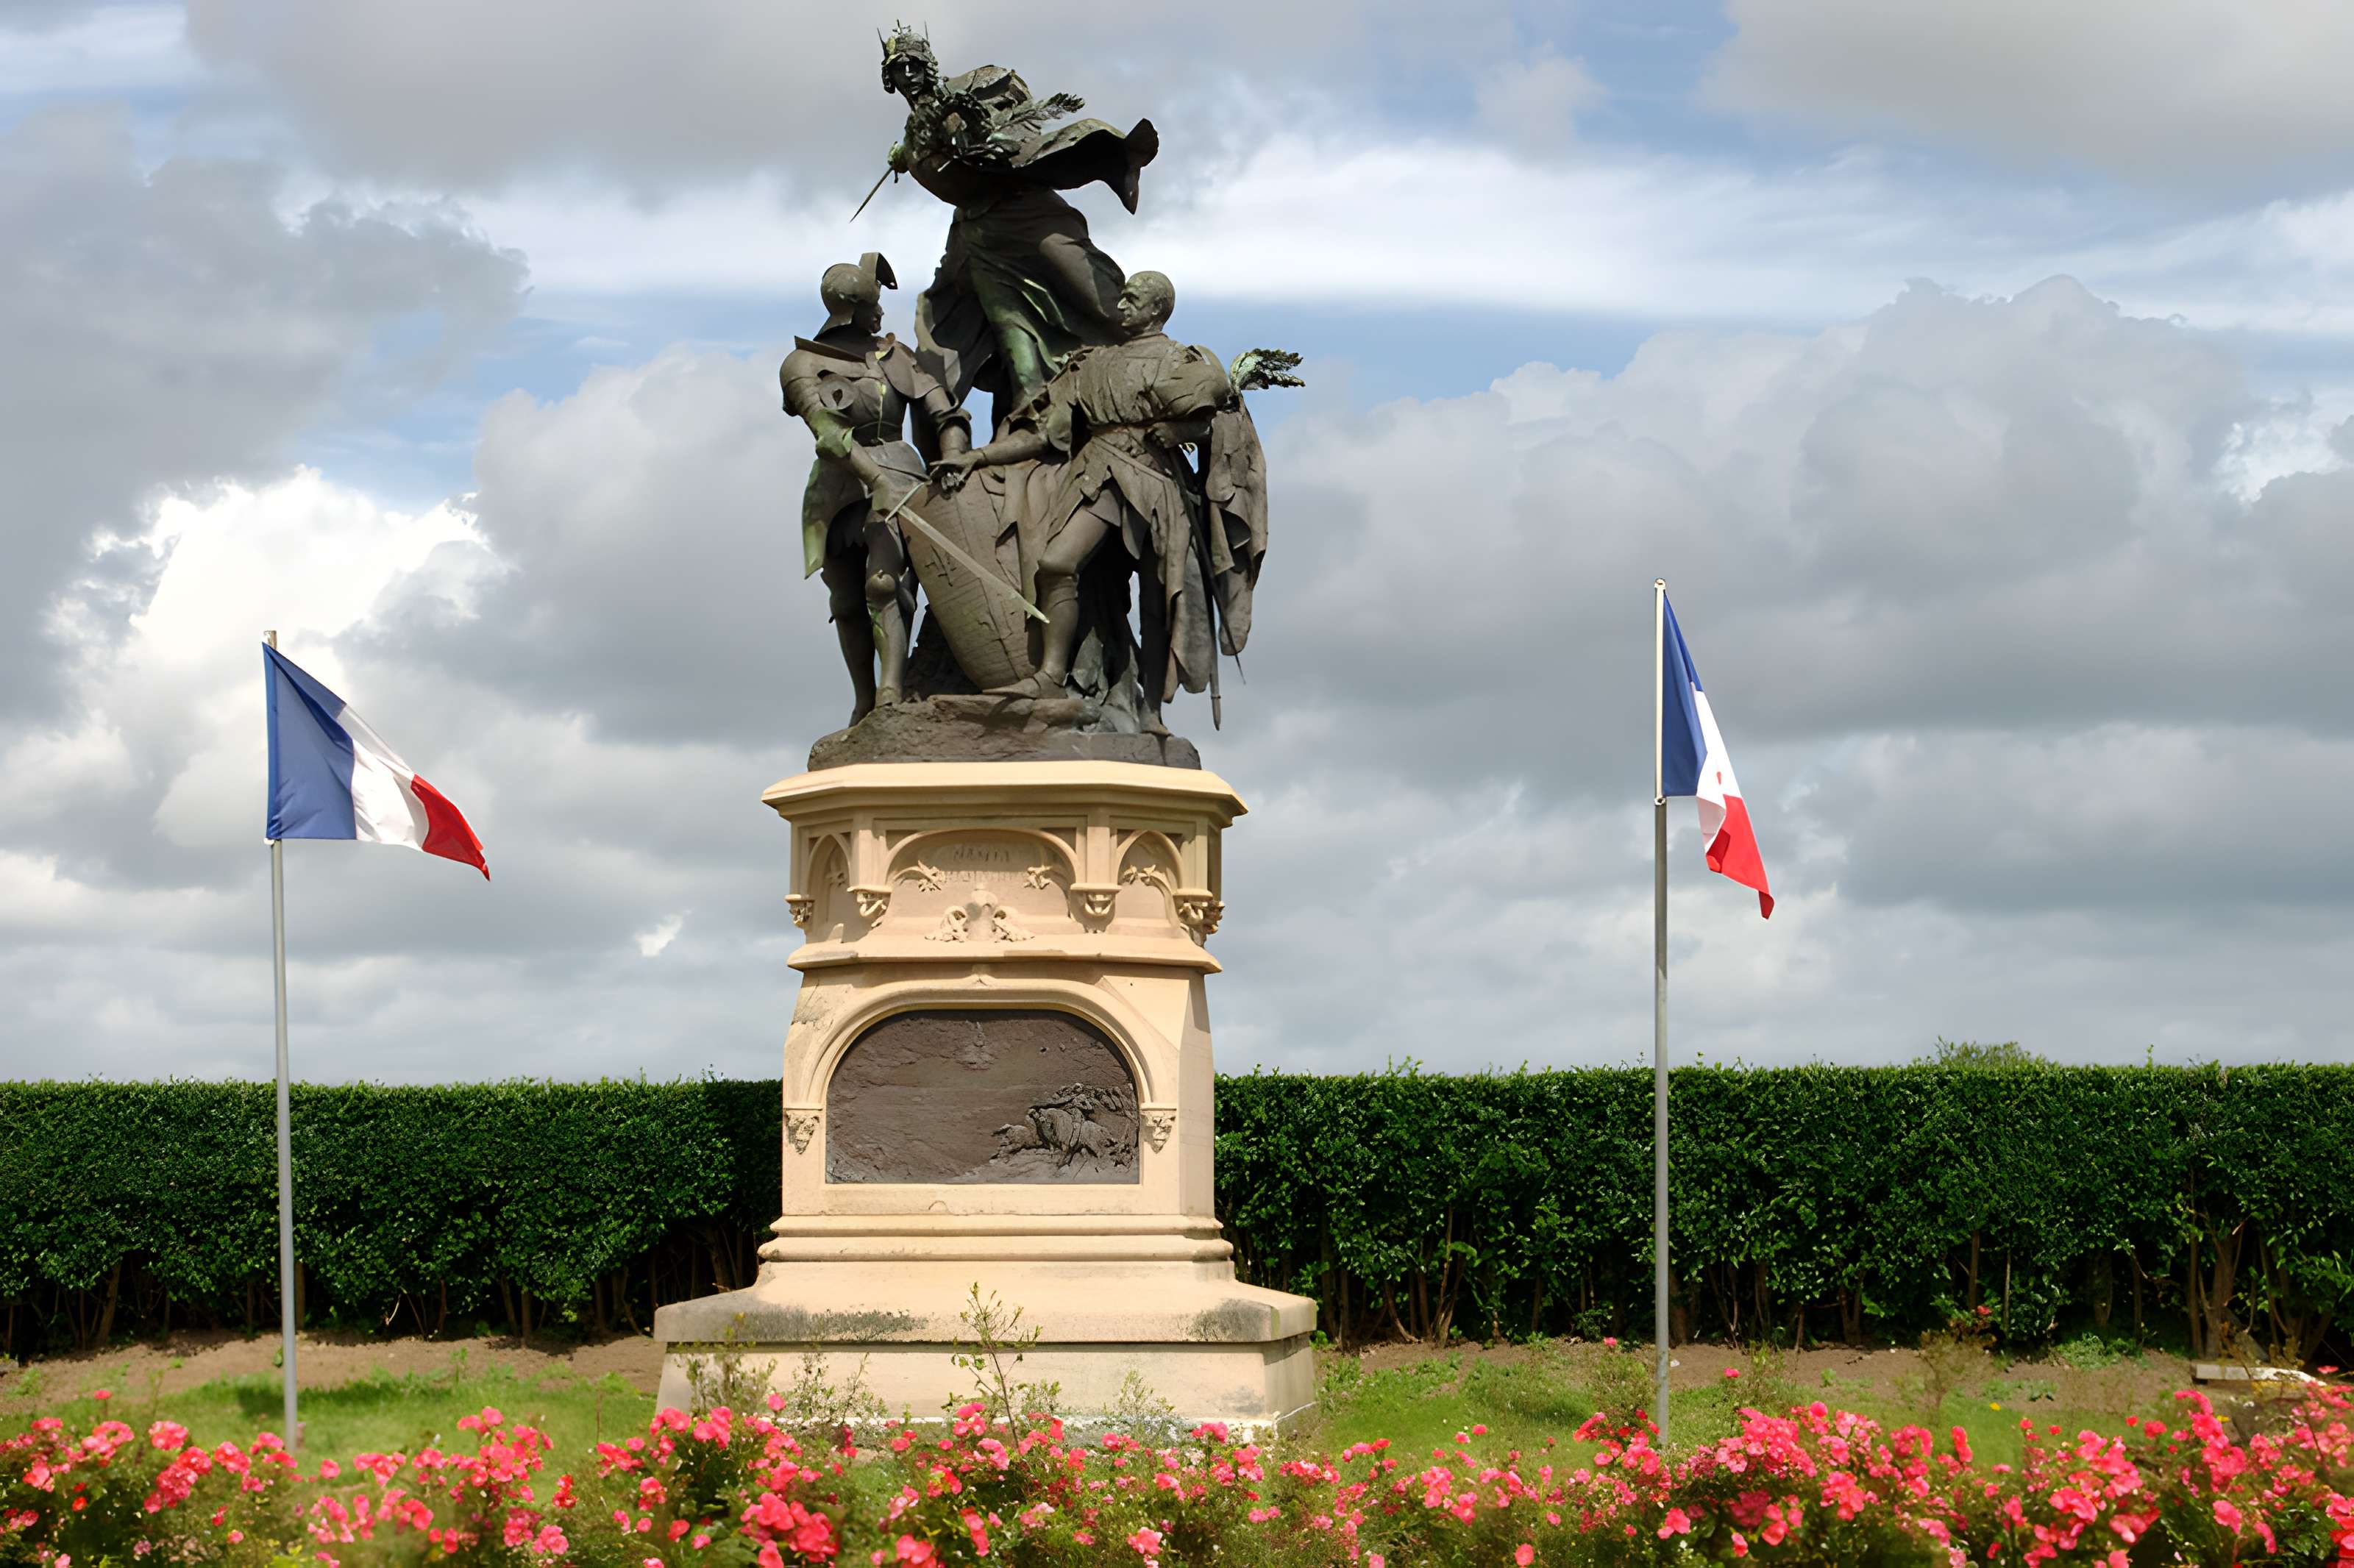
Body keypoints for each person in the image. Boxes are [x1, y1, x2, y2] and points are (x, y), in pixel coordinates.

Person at [931, 271, 1267, 732]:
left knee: (1156, 599)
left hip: (1157, 486)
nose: (1121, 305)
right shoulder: (1090, 365)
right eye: (1123, 297)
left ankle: (1152, 712)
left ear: (1157, 309)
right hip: (1097, 476)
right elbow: (1044, 435)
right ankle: (1050, 674)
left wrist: (1182, 430)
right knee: (1055, 563)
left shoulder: (1183, 361)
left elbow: (1209, 422)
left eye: (1132, 299)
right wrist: (977, 457)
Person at [875, 27, 1159, 432]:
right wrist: (909, 151)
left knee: (1103, 301)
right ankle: (1001, 424)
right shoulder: (915, 130)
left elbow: (1004, 138)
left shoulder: (962, 94)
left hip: (1028, 215)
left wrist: (957, 136)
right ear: (889, 79)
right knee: (1002, 348)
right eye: (899, 68)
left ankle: (1154, 369)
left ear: (928, 65)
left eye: (915, 64)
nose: (908, 73)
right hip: (979, 236)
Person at [780, 254, 972, 724]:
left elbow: (943, 411)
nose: (882, 313)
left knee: (883, 584)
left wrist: (952, 456)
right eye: (876, 303)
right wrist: (873, 479)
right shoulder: (801, 363)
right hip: (839, 485)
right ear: (854, 308)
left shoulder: (895, 356)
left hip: (902, 477)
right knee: (845, 602)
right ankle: (863, 699)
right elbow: (826, 430)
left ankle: (891, 692)